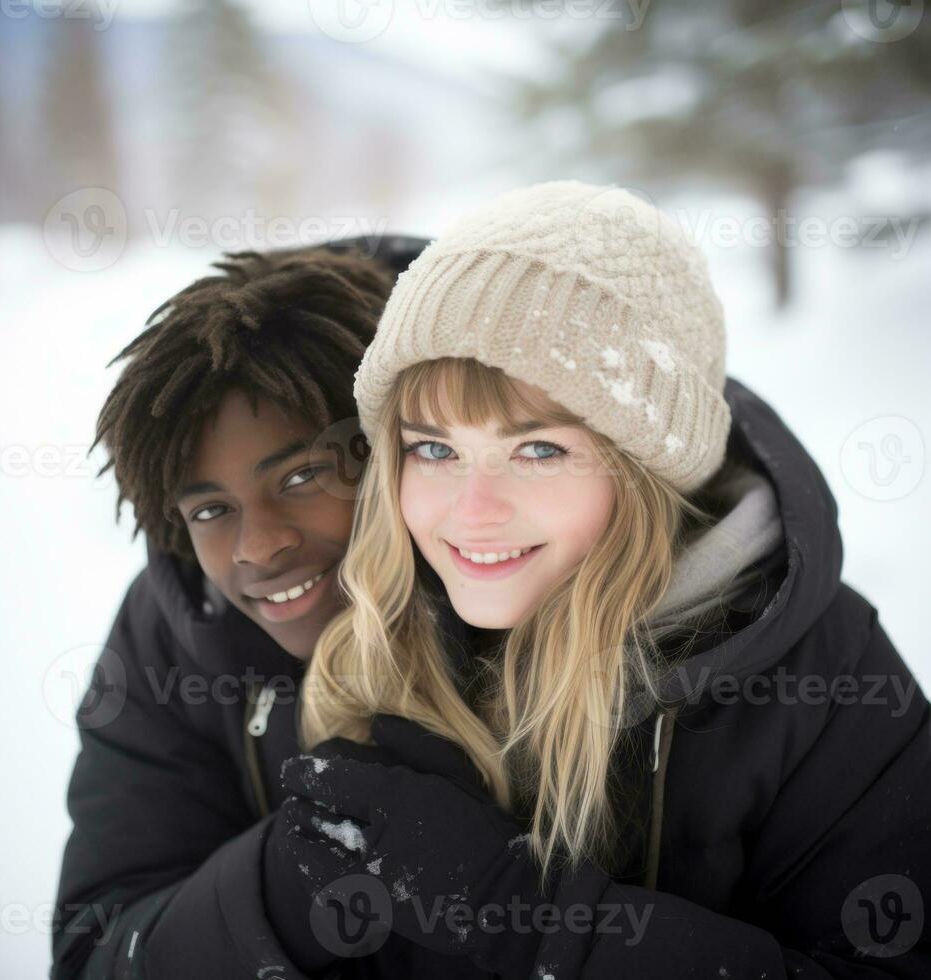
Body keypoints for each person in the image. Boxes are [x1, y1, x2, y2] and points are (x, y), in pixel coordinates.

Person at [271, 181, 931, 978]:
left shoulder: (822, 674)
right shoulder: (355, 643)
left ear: (646, 469)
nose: (471, 514)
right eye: (435, 449)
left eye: (538, 450)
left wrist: (522, 914)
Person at [49, 234, 432, 980]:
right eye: (212, 511)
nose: (256, 548)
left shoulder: (530, 585)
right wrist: (284, 888)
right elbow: (94, 950)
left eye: (299, 478)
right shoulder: (172, 635)